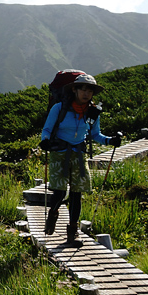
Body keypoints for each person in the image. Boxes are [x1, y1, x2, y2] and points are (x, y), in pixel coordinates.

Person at [39, 73, 121, 243]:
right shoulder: (59, 108)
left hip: (78, 153)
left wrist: (110, 141)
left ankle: (72, 233)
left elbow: (95, 134)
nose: (86, 93)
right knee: (60, 192)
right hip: (59, 152)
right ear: (74, 89)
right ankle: (53, 215)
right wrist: (44, 141)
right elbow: (46, 129)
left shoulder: (92, 112)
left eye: (90, 91)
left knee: (77, 194)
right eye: (83, 89)